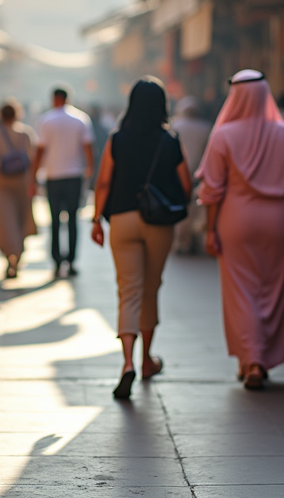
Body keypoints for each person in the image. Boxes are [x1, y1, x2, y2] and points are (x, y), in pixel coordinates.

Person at [197, 70, 284, 390]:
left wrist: (210, 230)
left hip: (234, 221)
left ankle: (250, 359)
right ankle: (260, 357)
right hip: (276, 221)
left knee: (241, 291)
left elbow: (211, 190)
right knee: (273, 289)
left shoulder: (222, 136)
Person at [91, 78, 192, 400]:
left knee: (128, 291)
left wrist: (96, 218)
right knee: (151, 288)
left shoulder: (116, 140)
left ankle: (126, 364)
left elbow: (103, 182)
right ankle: (147, 359)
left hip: (121, 219)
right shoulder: (170, 140)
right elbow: (186, 185)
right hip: (158, 222)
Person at [33, 87, 95, 277]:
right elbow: (87, 147)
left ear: (54, 99)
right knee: (73, 219)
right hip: (74, 175)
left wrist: (34, 173)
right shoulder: (80, 119)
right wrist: (89, 168)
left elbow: (40, 150)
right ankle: (72, 260)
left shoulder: (46, 120)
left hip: (53, 175)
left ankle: (57, 260)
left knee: (55, 220)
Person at [0, 101, 38, 279]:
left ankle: (10, 256)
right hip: (22, 182)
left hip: (0, 183)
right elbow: (33, 158)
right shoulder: (26, 133)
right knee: (21, 219)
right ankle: (18, 253)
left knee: (5, 221)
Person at [170, 97, 212, 255]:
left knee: (179, 208)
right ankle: (192, 241)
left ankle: (180, 241)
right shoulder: (206, 127)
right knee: (195, 209)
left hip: (177, 174)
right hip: (198, 174)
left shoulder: (174, 125)